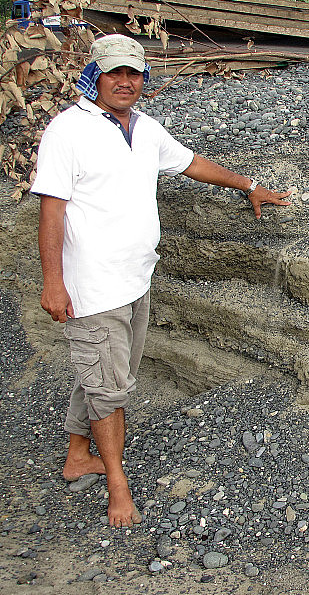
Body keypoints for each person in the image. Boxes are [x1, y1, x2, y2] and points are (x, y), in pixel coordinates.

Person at [32, 34, 290, 528]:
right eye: (114, 73)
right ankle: (117, 486)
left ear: (143, 77)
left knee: (103, 377)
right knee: (109, 388)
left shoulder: (145, 129)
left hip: (135, 280)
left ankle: (76, 454)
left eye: (133, 73)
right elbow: (52, 210)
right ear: (96, 75)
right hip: (92, 288)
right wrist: (53, 282)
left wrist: (250, 186)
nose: (125, 82)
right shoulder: (68, 132)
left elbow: (190, 163)